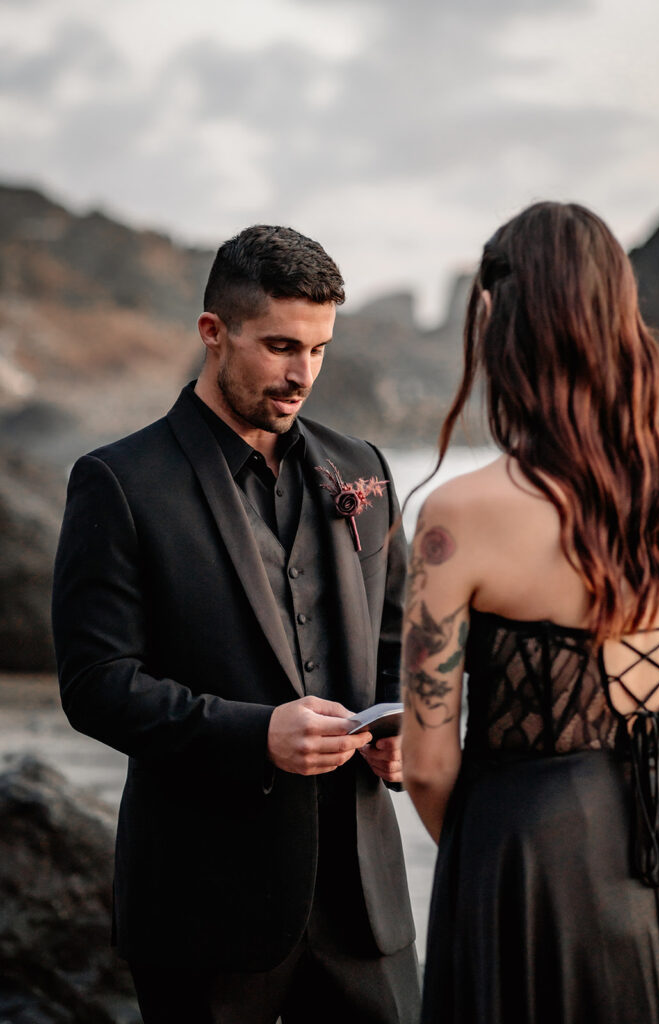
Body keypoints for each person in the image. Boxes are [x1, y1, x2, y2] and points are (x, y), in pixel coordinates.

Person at [52, 225, 420, 1024]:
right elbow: (95, 685)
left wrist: (405, 729)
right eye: (281, 346)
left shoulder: (365, 469)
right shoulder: (117, 482)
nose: (303, 375)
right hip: (201, 906)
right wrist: (257, 735)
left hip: (365, 905)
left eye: (319, 350)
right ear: (213, 334)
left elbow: (403, 643)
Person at [400, 202, 659, 1023]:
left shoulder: (460, 515)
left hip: (535, 855)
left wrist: (502, 860)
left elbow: (428, 764)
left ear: (502, 329)